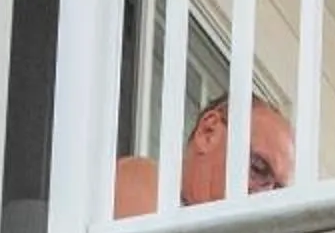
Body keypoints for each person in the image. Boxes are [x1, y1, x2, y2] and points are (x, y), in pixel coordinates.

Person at [113, 92, 294, 219]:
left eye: (276, 190)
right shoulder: (144, 180)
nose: (265, 195)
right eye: (258, 168)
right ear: (209, 133)